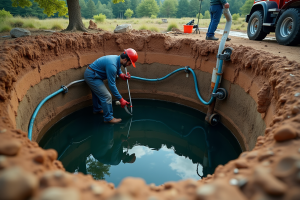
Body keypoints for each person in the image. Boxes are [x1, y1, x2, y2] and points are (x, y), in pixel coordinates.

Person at [84, 48, 138, 124]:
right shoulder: (112, 65)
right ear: (125, 60)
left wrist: (121, 74)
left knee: (98, 93)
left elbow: (118, 67)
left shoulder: (117, 59)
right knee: (107, 96)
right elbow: (112, 85)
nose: (129, 65)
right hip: (92, 76)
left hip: (94, 74)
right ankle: (108, 118)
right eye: (130, 63)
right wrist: (121, 100)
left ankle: (97, 109)